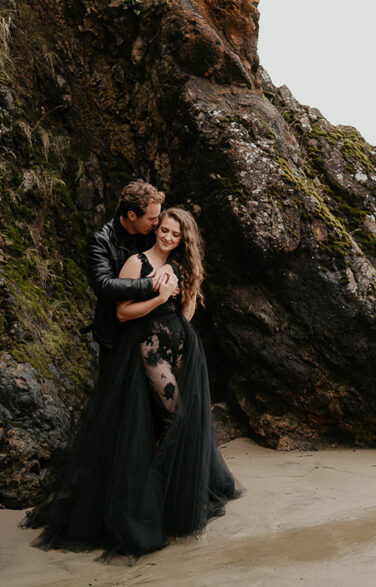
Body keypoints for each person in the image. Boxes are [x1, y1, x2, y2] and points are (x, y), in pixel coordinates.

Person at [28, 206, 241, 556]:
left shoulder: (178, 266)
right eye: (165, 230)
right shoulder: (136, 263)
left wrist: (185, 288)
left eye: (176, 234)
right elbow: (122, 312)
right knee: (177, 417)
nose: (168, 237)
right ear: (157, 228)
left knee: (168, 422)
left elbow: (184, 315)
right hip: (147, 347)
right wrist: (158, 296)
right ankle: (147, 501)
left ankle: (167, 502)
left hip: (179, 344)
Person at [86, 181, 168, 374]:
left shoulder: (152, 231)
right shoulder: (101, 241)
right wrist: (153, 284)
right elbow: (102, 284)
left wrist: (170, 269)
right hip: (115, 334)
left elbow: (176, 247)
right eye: (152, 218)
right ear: (132, 215)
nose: (157, 223)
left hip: (153, 331)